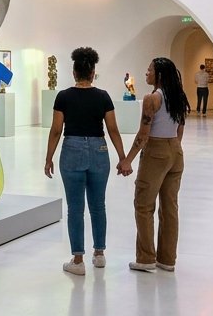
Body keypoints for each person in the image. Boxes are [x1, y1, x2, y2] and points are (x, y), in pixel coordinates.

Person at [44, 47, 129, 276]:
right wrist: (123, 158)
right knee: (98, 205)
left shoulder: (63, 96)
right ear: (93, 73)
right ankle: (99, 254)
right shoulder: (103, 96)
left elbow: (55, 130)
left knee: (75, 208)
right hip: (99, 149)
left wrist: (48, 158)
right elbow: (112, 129)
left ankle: (78, 260)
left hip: (71, 149)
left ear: (74, 72)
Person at [119, 57, 188, 272]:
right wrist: (173, 149)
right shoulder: (178, 96)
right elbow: (180, 129)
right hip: (175, 152)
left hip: (156, 152)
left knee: (143, 205)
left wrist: (127, 159)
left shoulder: (152, 99)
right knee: (170, 207)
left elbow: (143, 134)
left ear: (158, 75)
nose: (146, 73)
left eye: (149, 70)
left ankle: (146, 258)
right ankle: (167, 259)